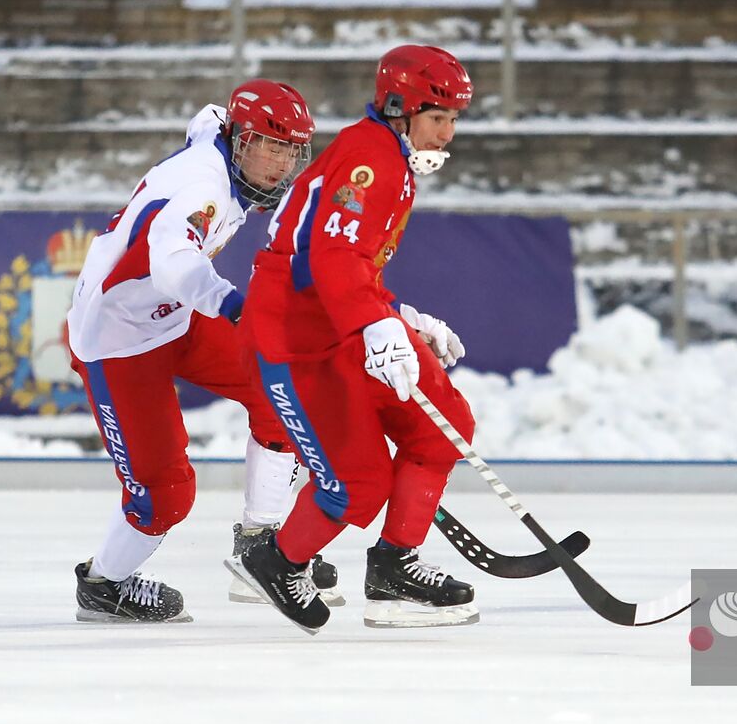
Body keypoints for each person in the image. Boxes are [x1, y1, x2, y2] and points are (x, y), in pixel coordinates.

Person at [70, 80, 341, 623]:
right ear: (238, 141)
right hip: (120, 337)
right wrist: (233, 303)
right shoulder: (203, 189)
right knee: (165, 494)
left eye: (290, 150)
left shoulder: (220, 138)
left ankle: (259, 545)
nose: (280, 165)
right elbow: (174, 265)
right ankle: (105, 585)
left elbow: (210, 116)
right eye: (268, 145)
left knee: (281, 389)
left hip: (174, 318)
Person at [228, 45, 478, 634]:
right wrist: (376, 323)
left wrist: (398, 314)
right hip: (297, 338)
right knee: (356, 484)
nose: (447, 133)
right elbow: (333, 257)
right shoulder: (372, 159)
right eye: (438, 117)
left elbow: (345, 260)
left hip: (344, 320)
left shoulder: (387, 154)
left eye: (453, 119)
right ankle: (277, 559)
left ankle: (394, 568)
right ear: (400, 108)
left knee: (443, 424)